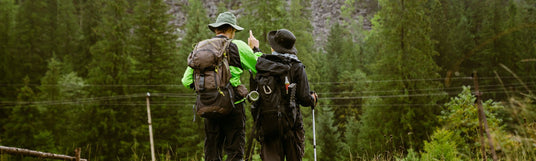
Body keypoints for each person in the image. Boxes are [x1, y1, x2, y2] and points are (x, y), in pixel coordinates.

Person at [181, 11, 261, 161]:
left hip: (208, 107)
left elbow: (186, 81)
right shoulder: (237, 46)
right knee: (234, 153)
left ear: (216, 30)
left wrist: (208, 89)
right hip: (233, 106)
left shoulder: (200, 48)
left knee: (211, 153)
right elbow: (259, 67)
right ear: (231, 29)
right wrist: (255, 49)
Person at [252, 29, 318, 161]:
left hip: (268, 123)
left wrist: (254, 48)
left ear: (273, 47)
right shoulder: (297, 66)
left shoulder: (263, 64)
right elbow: (304, 99)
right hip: (291, 124)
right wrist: (313, 99)